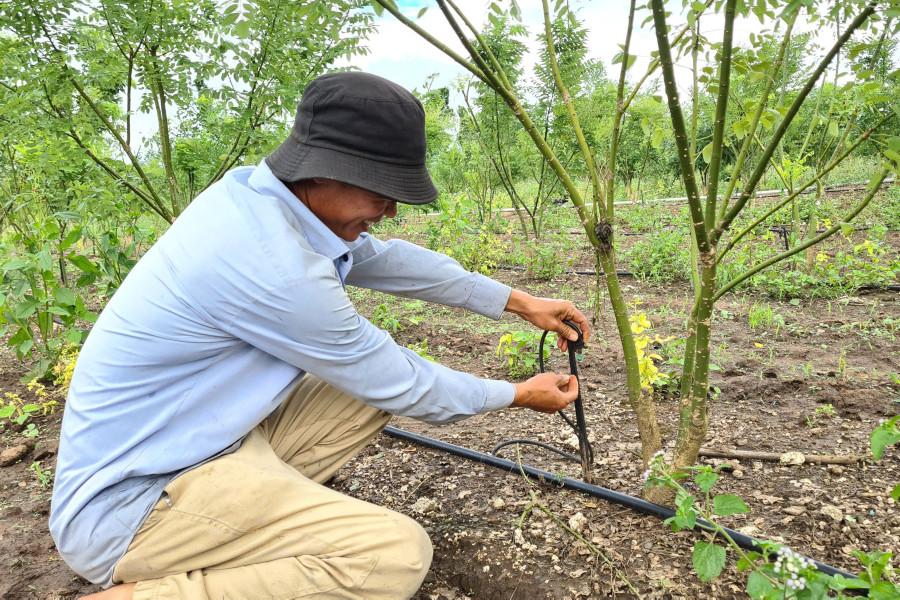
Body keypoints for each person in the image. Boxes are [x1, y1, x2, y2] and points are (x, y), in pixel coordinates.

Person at [49, 71, 590, 600]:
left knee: (354, 389)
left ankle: (253, 525)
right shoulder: (269, 264)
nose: (390, 210)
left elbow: (387, 260)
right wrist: (517, 395)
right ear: (322, 171)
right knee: (391, 556)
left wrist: (519, 302)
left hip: (202, 447)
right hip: (129, 508)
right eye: (382, 191)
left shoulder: (257, 199)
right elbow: (402, 384)